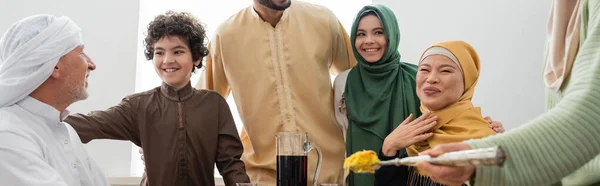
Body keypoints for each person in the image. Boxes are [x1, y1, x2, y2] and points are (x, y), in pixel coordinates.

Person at [416, 0, 600, 185]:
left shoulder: (483, 134)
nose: (431, 78)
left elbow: (592, 113)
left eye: (446, 70)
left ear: (468, 80)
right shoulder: (563, 13)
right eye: (424, 69)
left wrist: (481, 160)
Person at [64, 11, 250, 186]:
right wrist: (42, 116)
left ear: (196, 58)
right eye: (159, 52)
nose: (167, 60)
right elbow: (90, 124)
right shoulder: (138, 106)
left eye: (178, 51)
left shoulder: (214, 105)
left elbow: (231, 165)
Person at [332, 5, 504, 186]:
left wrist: (497, 138)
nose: (431, 79)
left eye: (378, 32)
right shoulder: (345, 82)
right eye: (360, 34)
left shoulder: (480, 145)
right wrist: (389, 147)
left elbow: (455, 110)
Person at [196, 0, 357, 184]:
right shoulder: (225, 37)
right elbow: (202, 110)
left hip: (328, 176)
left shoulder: (324, 21)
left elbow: (362, 79)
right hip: (262, 178)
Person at [0, 14, 109, 186]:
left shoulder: (66, 131)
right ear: (54, 66)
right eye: (81, 53)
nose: (91, 64)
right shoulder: (8, 135)